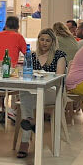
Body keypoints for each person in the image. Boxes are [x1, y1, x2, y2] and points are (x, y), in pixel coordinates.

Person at [16, 28, 67, 158]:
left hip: (53, 91)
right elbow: (26, 74)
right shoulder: (32, 56)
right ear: (38, 40)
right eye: (42, 39)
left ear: (53, 42)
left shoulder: (59, 55)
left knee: (29, 97)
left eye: (48, 40)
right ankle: (30, 121)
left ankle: (25, 141)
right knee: (24, 92)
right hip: (35, 90)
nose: (44, 43)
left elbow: (59, 78)